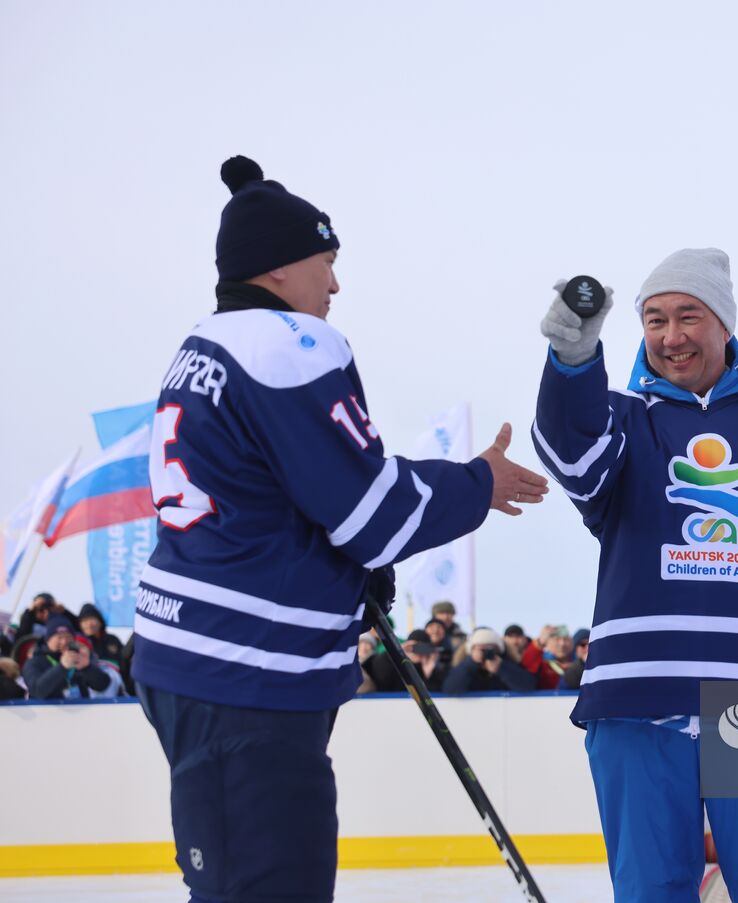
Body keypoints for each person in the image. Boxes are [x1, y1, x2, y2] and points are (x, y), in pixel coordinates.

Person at [131, 156, 548, 903]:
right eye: (327, 261)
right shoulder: (287, 345)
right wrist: (479, 481)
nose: (335, 284)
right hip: (246, 681)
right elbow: (374, 513)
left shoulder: (205, 345)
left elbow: (278, 497)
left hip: (191, 661)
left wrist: (347, 573)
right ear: (281, 269)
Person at [533, 248, 738, 900]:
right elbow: (572, 457)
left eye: (689, 315)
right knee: (651, 890)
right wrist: (573, 359)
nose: (671, 336)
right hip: (636, 699)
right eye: (654, 319)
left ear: (725, 325)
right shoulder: (622, 418)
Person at [443, 627, 536, 693]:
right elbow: (451, 689)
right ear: (471, 650)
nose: (485, 652)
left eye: (490, 648)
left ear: (498, 649)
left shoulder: (509, 662)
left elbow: (528, 686)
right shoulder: (462, 665)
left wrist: (501, 668)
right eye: (481, 648)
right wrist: (471, 663)